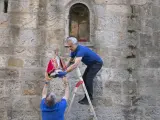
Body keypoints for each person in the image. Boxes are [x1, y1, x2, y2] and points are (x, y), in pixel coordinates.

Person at [57, 37, 103, 105]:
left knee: (88, 79)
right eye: (68, 46)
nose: (69, 48)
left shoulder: (81, 50)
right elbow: (70, 61)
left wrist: (65, 72)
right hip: (91, 64)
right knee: (84, 78)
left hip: (97, 64)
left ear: (75, 44)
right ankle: (86, 97)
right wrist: (64, 68)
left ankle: (89, 98)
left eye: (71, 46)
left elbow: (75, 64)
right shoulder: (73, 50)